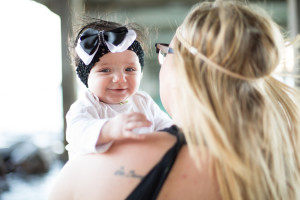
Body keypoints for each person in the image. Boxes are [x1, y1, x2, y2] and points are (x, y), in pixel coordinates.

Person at [49, 1, 300, 199]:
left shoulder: (88, 172)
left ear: (185, 67)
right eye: (105, 71)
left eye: (166, 51)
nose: (119, 79)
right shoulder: (282, 156)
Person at [66, 20, 173, 158]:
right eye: (105, 70)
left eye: (129, 69)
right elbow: (77, 134)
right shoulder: (86, 106)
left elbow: (165, 127)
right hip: (94, 176)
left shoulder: (143, 101)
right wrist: (108, 130)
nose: (120, 78)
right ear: (86, 76)